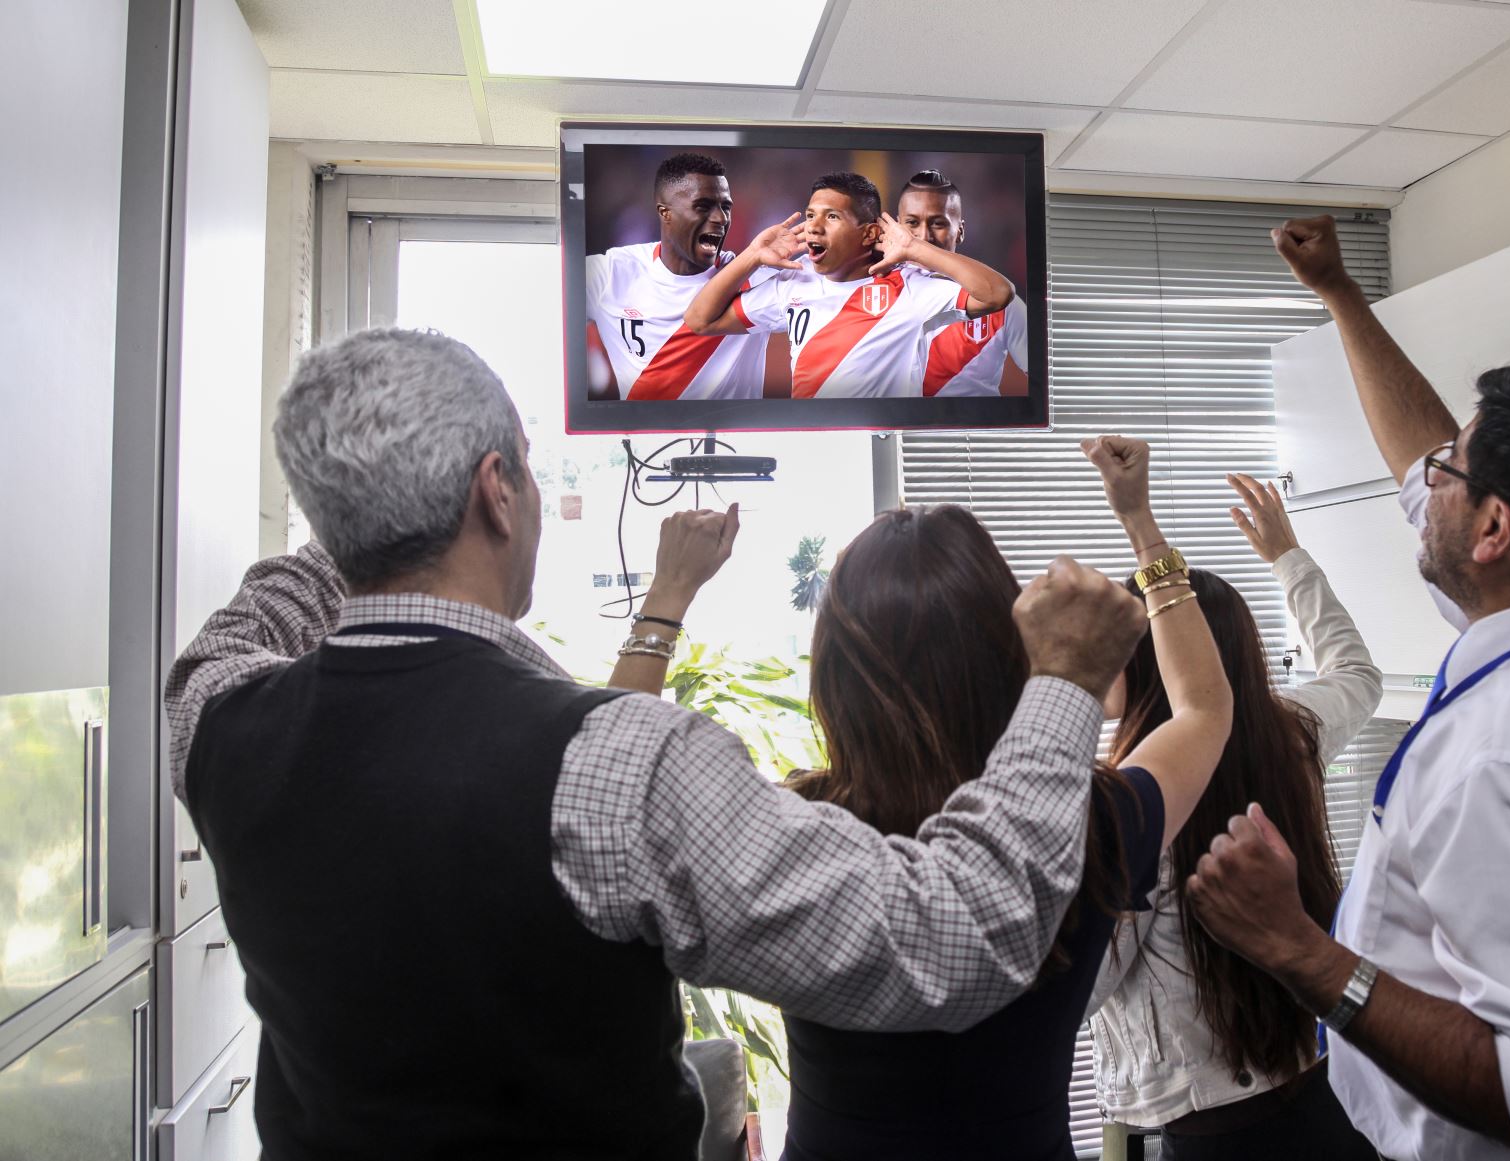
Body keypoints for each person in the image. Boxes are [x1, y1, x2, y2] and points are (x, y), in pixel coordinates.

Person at [163, 327, 1150, 1161]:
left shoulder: (215, 719)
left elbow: (264, 609)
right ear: (496, 491)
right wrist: (1061, 684)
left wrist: (363, 503)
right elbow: (957, 938)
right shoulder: (624, 765)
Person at [1183, 215, 1510, 1161]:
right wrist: (1340, 294)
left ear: (1496, 529)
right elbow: (1420, 456)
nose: (1428, 479)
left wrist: (1298, 946)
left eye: (1452, 471)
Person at [777, 436, 1235, 1161]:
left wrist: (665, 610)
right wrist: (1139, 520)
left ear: (834, 672)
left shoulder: (790, 829)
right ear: (1008, 646)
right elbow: (1204, 707)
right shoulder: (1089, 821)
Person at [1086, 472, 1382, 1159]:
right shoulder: (1292, 735)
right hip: (1323, 1099)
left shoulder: (1141, 806)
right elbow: (1357, 671)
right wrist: (1287, 555)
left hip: (1213, 1135)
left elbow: (1087, 983)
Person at [683, 171, 1015, 398]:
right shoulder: (793, 280)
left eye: (832, 217)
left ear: (869, 233)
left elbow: (997, 294)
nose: (813, 227)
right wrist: (751, 256)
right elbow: (700, 320)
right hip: (809, 439)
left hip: (880, 437)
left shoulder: (910, 287)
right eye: (811, 215)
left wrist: (915, 248)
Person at [584, 151, 772, 401]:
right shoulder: (609, 274)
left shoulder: (756, 279)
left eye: (725, 207)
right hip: (644, 437)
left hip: (735, 437)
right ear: (665, 212)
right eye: (703, 206)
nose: (720, 218)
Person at [894, 168, 1030, 397]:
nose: (924, 236)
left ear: (960, 231)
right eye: (912, 223)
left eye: (938, 223)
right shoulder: (868, 294)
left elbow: (1049, 383)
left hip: (975, 432)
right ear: (897, 227)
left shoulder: (1001, 302)